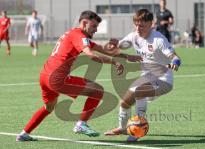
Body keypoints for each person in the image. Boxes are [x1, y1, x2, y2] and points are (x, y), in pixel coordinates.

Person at [16, 10, 125, 142]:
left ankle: (23, 133)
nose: (95, 30)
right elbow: (90, 54)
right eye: (94, 26)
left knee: (49, 107)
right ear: (84, 23)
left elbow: (102, 49)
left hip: (44, 75)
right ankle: (81, 124)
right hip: (57, 78)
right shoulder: (79, 35)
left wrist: (117, 50)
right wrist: (114, 62)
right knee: (98, 90)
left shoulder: (74, 33)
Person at [104, 9, 181, 142]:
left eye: (142, 25)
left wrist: (175, 62)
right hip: (147, 77)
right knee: (125, 102)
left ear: (151, 23)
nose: (138, 28)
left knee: (140, 92)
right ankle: (122, 128)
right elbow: (119, 46)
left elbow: (174, 57)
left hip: (163, 80)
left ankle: (138, 130)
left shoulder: (159, 39)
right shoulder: (133, 36)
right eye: (136, 24)